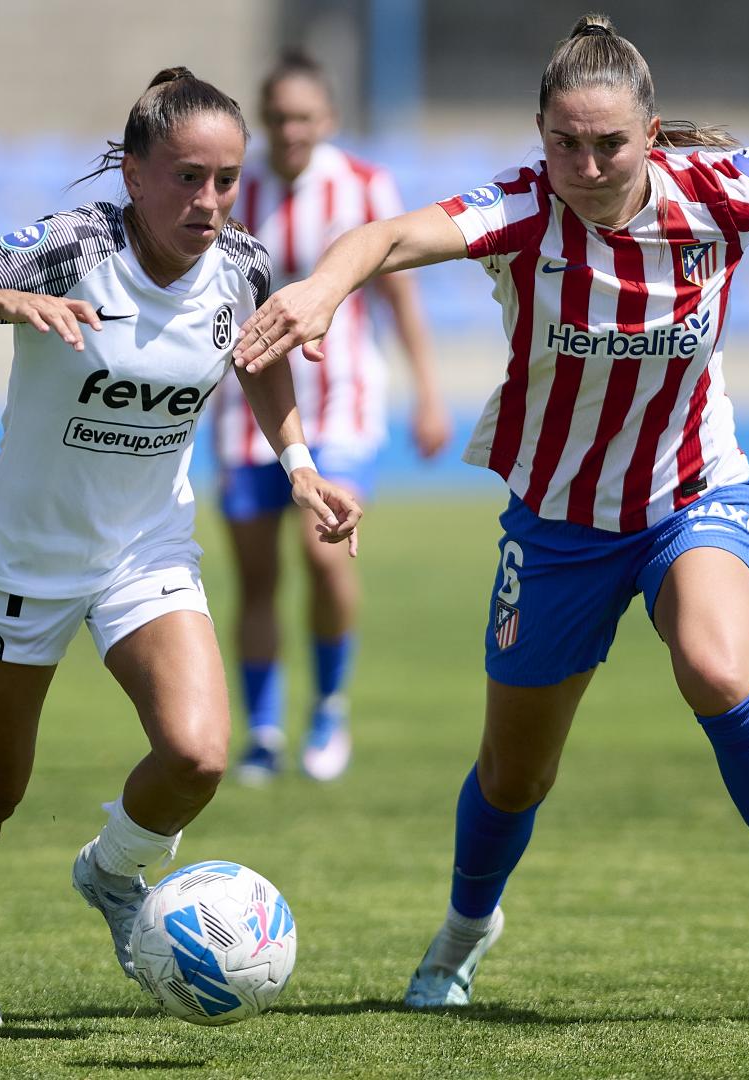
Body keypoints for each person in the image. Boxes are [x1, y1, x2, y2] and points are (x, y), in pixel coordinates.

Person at [235, 14, 749, 1005]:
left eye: (609, 144)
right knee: (514, 776)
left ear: (652, 132)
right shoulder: (517, 212)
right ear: (538, 133)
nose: (586, 166)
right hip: (557, 522)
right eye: (564, 143)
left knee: (718, 666)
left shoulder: (720, 192)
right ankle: (466, 928)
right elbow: (385, 234)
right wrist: (326, 288)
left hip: (693, 492)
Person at [0, 67, 361, 1026]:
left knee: (196, 754)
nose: (209, 201)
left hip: (146, 550)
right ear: (134, 175)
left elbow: (258, 359)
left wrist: (301, 465)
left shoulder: (243, 264)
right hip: (23, 561)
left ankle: (114, 874)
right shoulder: (70, 249)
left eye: (225, 179)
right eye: (188, 177)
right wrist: (2, 303)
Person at [211, 50, 452, 785]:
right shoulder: (229, 190)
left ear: (329, 120)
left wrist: (428, 390)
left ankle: (328, 709)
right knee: (255, 575)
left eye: (304, 116)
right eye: (278, 116)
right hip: (246, 403)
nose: (290, 130)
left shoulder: (364, 185)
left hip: (341, 398)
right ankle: (260, 729)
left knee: (323, 554)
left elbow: (399, 296)